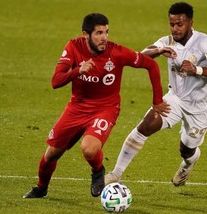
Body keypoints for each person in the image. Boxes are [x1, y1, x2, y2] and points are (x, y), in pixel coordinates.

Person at [23, 13, 170, 199]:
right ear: (86, 34)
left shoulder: (116, 52)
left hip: (105, 108)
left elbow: (151, 65)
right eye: (99, 33)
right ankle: (41, 188)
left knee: (89, 148)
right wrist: (77, 71)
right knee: (51, 155)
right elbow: (55, 81)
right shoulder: (73, 47)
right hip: (76, 107)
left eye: (106, 32)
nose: (104, 38)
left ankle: (98, 171)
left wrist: (157, 100)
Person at [105, 2, 207, 187]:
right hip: (176, 99)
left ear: (190, 22)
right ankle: (115, 174)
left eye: (180, 24)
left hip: (201, 106)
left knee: (186, 150)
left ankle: (188, 163)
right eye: (172, 24)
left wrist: (197, 69)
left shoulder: (204, 41)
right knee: (145, 126)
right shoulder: (167, 41)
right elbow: (141, 55)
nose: (175, 29)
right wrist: (158, 50)